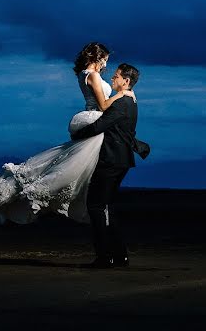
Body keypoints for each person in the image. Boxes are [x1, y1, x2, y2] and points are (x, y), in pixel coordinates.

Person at [0, 42, 135, 225]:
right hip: (95, 117)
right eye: (105, 60)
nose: (106, 65)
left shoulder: (83, 74)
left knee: (66, 161)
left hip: (93, 117)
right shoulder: (92, 75)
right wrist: (123, 94)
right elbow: (102, 105)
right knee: (71, 167)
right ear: (97, 57)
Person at [70, 63, 141, 268]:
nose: (112, 79)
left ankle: (104, 257)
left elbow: (100, 125)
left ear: (126, 81)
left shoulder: (122, 103)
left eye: (116, 77)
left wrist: (77, 134)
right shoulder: (130, 101)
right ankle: (120, 256)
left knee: (96, 206)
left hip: (111, 161)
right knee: (106, 206)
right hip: (120, 160)